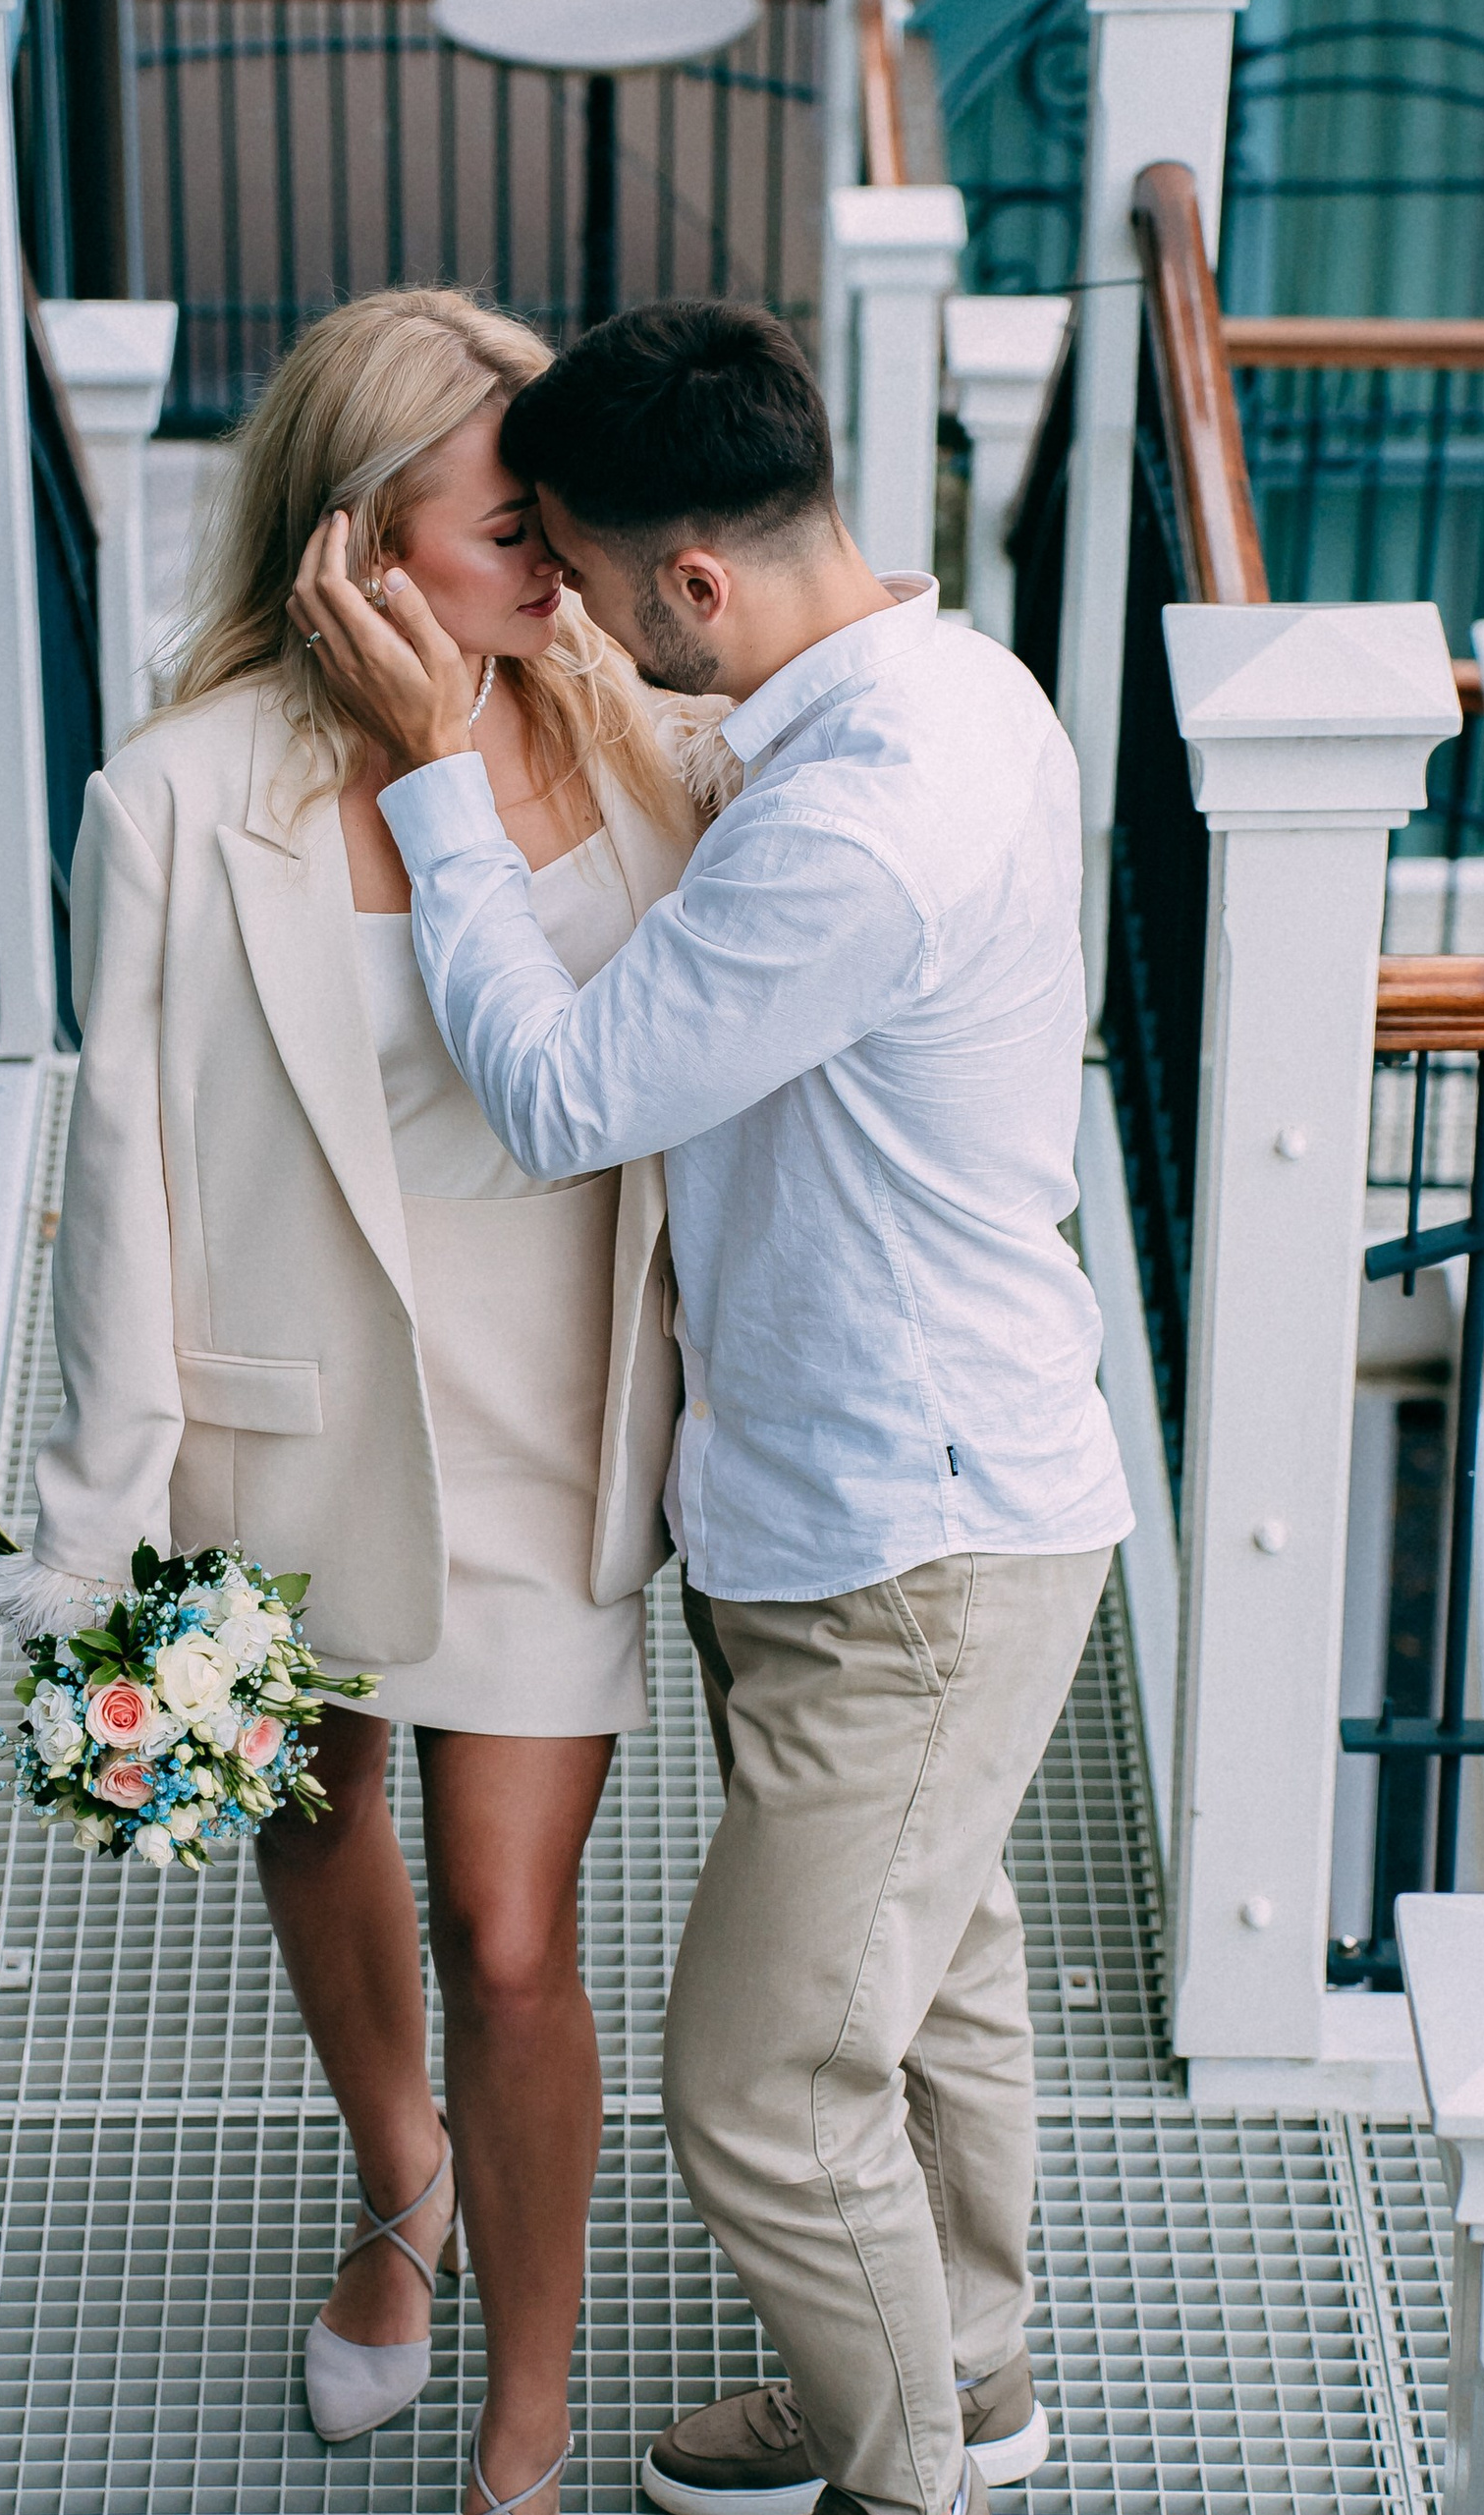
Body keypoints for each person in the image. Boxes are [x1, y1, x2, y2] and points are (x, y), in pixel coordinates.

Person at [290, 299, 1133, 2515]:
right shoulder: (955, 686)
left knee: (757, 2076)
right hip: (868, 1492)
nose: (541, 597)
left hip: (911, 1537)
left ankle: (905, 2477)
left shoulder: (859, 813)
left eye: (561, 557)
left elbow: (565, 1093)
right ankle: (964, 2375)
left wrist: (434, 781)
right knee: (929, 1975)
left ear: (690, 577)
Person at [2, 289, 712, 2515]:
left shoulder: (635, 727)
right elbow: (120, 1187)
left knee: (512, 1930)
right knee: (318, 1826)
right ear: (349, 544)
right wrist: (97, 1541)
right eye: (504, 519)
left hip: (555, 1420)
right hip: (288, 1426)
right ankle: (392, 2174)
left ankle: (529, 2383)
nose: (552, 557)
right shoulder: (170, 801)